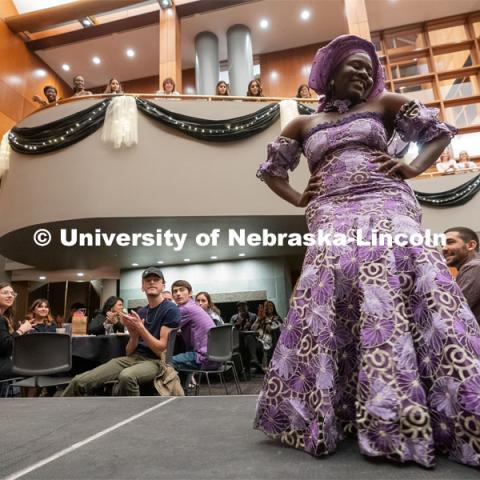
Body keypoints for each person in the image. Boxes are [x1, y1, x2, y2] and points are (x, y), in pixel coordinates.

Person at [253, 34, 480, 468]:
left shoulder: (384, 105)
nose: (364, 72)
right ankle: (342, 410)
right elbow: (271, 171)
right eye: (354, 65)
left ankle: (418, 412)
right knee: (328, 296)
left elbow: (438, 133)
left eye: (368, 68)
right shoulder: (300, 124)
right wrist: (300, 197)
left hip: (386, 200)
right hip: (330, 212)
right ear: (330, 72)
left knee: (404, 277)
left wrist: (413, 167)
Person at [62, 267, 180, 396]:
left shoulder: (171, 309)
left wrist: (141, 328)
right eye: (148, 280)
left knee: (127, 376)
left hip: (157, 362)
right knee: (80, 380)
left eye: (156, 280)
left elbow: (161, 350)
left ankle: (135, 415)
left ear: (163, 285)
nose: (152, 282)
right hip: (134, 358)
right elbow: (129, 352)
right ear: (142, 287)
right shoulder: (142, 312)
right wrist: (134, 335)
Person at [170, 281, 218, 371]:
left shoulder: (185, 308)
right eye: (175, 291)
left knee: (167, 362)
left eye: (181, 290)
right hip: (217, 356)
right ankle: (188, 384)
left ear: (190, 293)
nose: (178, 294)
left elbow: (167, 327)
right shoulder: (193, 305)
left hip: (204, 358)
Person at [443, 227, 480, 322]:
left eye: (450, 242)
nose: (444, 248)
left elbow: (454, 310)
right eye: (442, 244)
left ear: (471, 245)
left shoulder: (475, 267)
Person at [0, 282, 33, 379]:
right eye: (5, 293)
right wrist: (21, 330)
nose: (10, 296)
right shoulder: (1, 319)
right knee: (39, 366)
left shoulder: (5, 317)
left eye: (12, 294)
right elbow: (5, 347)